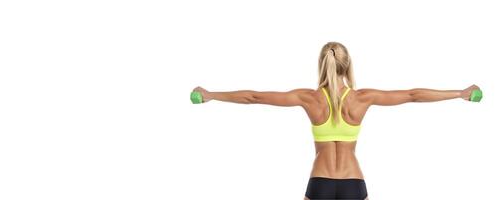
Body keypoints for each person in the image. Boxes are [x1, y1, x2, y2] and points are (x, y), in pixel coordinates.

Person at [192, 41, 480, 200]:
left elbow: (254, 97)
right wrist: (460, 94)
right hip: (353, 183)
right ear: (347, 65)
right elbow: (413, 95)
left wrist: (211, 94)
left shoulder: (309, 98)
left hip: (319, 184)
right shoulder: (362, 98)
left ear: (321, 64)